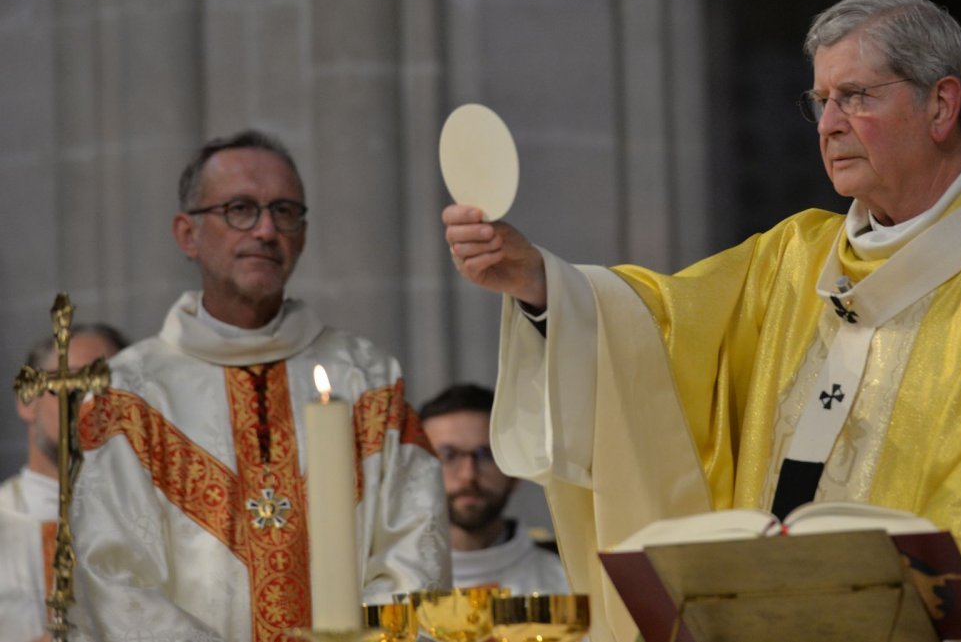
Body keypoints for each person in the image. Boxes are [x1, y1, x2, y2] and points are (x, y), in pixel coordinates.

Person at [443, 0, 961, 642]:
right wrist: (542, 284)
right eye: (819, 101)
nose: (829, 125)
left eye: (855, 96)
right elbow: (656, 331)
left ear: (942, 106)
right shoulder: (793, 258)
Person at [71, 130, 450, 642]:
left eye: (285, 211)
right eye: (240, 209)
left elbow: (415, 550)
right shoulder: (126, 395)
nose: (267, 229)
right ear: (187, 233)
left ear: (304, 234)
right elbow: (112, 580)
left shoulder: (367, 379)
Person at [1, 325, 127, 642]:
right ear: (27, 399)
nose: (89, 403)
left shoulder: (150, 524)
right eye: (71, 381)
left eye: (105, 386)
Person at [419, 384, 569, 594]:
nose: (468, 475)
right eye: (448, 456)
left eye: (487, 455)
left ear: (515, 471)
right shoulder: (382, 586)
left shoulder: (567, 583)